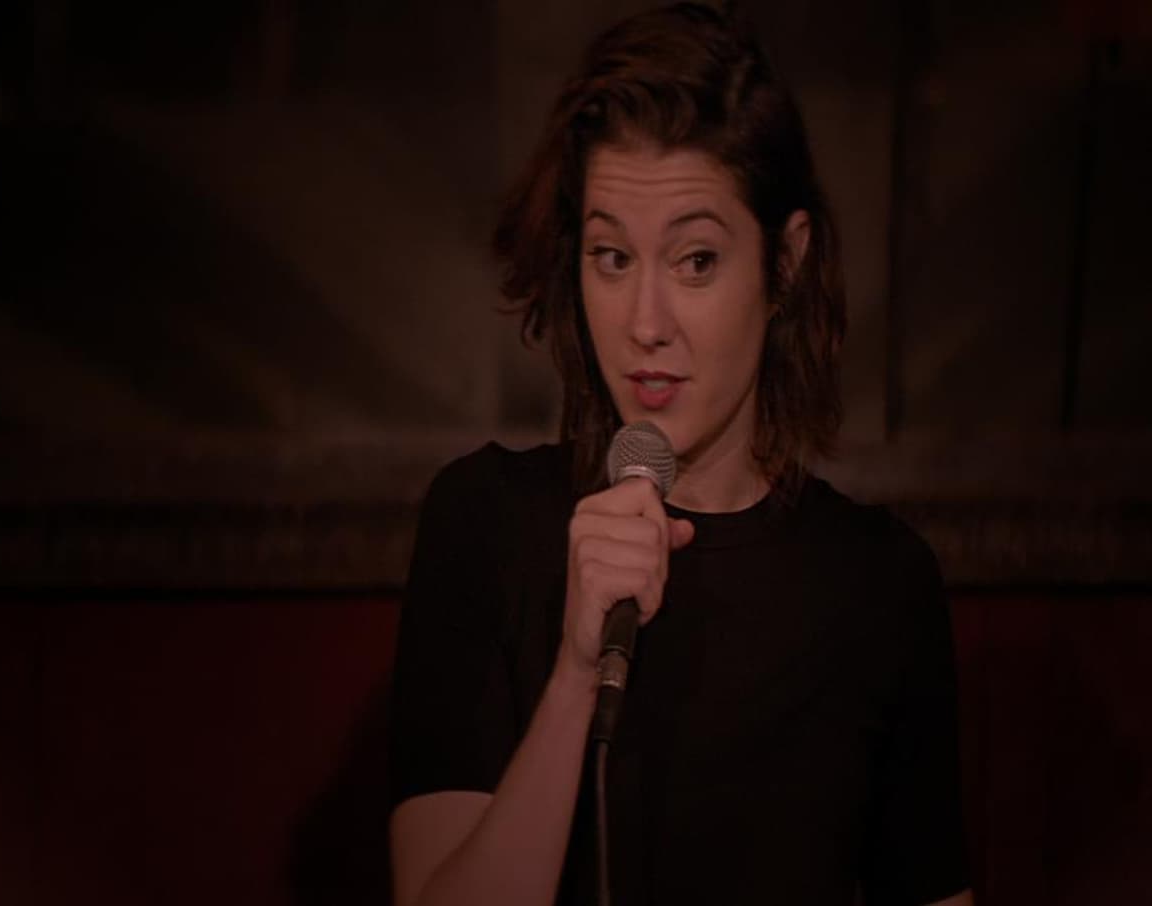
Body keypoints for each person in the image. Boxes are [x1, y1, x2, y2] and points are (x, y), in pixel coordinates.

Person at [385, 4, 974, 906]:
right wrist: (575, 675)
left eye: (695, 261)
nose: (646, 324)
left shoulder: (878, 584)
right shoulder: (485, 521)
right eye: (612, 257)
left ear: (784, 264)